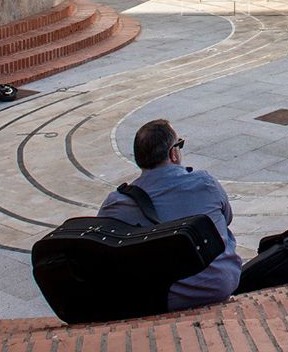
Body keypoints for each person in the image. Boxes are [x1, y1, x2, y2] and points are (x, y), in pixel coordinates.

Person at [97, 119, 242, 310]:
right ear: (173, 153)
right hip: (218, 286)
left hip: (159, 297)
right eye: (179, 144)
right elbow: (227, 218)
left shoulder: (117, 203)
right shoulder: (206, 184)